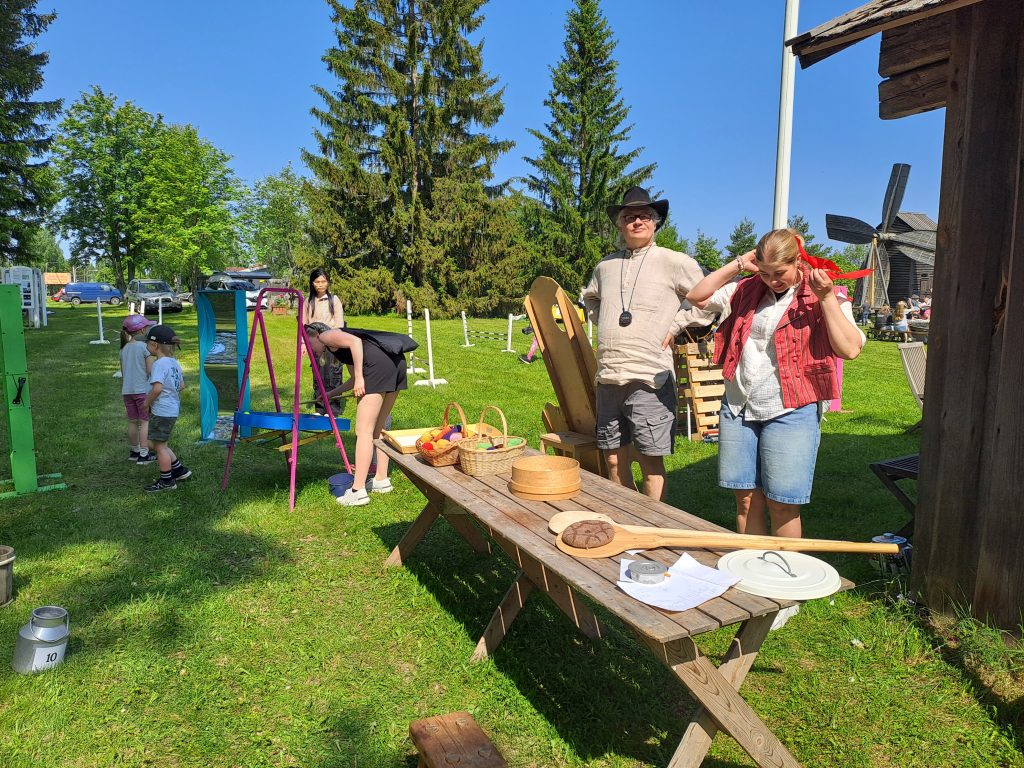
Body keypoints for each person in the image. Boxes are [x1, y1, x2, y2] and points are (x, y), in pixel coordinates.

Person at [686, 228, 865, 539]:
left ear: (798, 261)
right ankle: (752, 571)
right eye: (765, 272)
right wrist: (739, 263)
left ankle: (784, 580)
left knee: (782, 504)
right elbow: (696, 296)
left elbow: (849, 349)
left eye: (779, 272)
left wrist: (825, 298)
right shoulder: (745, 289)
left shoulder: (825, 293)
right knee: (745, 499)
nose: (771, 280)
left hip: (791, 409)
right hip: (738, 406)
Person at [581, 186, 712, 500]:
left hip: (650, 376)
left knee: (650, 461)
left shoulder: (675, 262)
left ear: (655, 223)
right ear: (619, 224)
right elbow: (589, 299)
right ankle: (624, 517)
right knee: (613, 458)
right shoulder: (605, 267)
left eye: (643, 216)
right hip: (609, 375)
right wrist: (606, 320)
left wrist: (677, 323)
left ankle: (652, 526)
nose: (636, 221)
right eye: (629, 216)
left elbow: (711, 301)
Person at [304, 322, 406, 506]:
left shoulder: (326, 336)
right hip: (395, 364)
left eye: (307, 343)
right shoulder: (339, 349)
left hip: (378, 367)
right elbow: (352, 378)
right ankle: (381, 480)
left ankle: (357, 491)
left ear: (314, 335)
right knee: (379, 427)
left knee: (363, 431)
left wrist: (360, 378)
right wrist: (331, 394)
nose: (309, 349)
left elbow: (355, 342)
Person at [142, 325, 192, 491]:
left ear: (155, 345)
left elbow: (156, 389)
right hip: (171, 409)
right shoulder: (174, 363)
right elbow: (181, 385)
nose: (147, 347)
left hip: (162, 411)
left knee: (158, 447)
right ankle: (179, 470)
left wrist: (147, 403)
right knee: (158, 444)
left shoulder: (159, 364)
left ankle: (167, 481)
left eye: (148, 343)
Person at [303, 268, 346, 411]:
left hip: (333, 341)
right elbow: (304, 324)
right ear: (312, 283)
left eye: (323, 281)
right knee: (318, 375)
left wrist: (335, 341)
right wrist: (304, 343)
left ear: (327, 282)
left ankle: (333, 408)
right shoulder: (308, 301)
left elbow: (339, 324)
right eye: (317, 282)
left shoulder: (334, 300)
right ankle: (320, 408)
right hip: (316, 343)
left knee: (334, 373)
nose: (320, 285)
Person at [120, 314, 156, 464]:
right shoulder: (144, 348)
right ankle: (144, 454)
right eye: (147, 327)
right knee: (144, 422)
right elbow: (150, 370)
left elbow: (123, 372)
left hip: (127, 392)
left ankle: (134, 451)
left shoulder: (123, 349)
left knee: (133, 421)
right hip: (141, 391)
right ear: (142, 331)